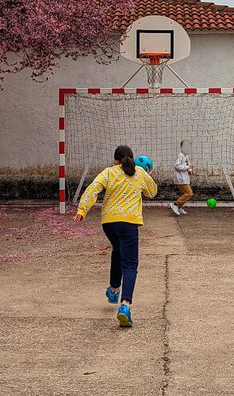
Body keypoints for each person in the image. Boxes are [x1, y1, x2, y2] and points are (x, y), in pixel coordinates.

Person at [75, 145, 157, 327]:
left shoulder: (109, 172)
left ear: (115, 161)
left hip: (109, 223)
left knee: (118, 251)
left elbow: (93, 189)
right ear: (133, 159)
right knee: (130, 264)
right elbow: (152, 193)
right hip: (128, 222)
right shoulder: (140, 173)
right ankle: (125, 305)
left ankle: (113, 290)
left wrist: (82, 210)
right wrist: (148, 176)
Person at [171, 140, 193, 216]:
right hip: (181, 179)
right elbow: (176, 166)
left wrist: (190, 170)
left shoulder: (186, 156)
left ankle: (179, 207)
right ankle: (175, 204)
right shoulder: (180, 156)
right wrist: (187, 167)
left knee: (184, 194)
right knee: (189, 193)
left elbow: (187, 166)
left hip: (184, 178)